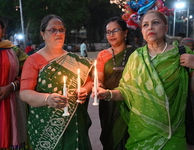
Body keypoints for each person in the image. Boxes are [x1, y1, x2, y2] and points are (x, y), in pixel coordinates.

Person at [94, 10, 194, 149]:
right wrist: (108, 94)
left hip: (173, 132)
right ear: (142, 31)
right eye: (145, 25)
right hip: (141, 131)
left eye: (156, 23)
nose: (150, 27)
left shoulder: (181, 54)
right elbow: (126, 91)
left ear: (166, 28)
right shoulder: (136, 57)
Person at [20, 14, 93, 150]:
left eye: (61, 30)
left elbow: (89, 83)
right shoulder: (34, 60)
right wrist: (47, 99)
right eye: (53, 30)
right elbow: (24, 93)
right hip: (45, 128)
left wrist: (85, 90)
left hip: (74, 124)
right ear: (43, 34)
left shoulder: (75, 60)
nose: (58, 33)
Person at [96, 16, 134, 150]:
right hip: (108, 103)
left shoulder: (136, 53)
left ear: (125, 32)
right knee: (111, 139)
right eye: (108, 32)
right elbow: (99, 80)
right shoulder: (102, 55)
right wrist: (98, 87)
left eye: (115, 30)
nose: (111, 35)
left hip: (131, 102)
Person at [0, 14, 28, 149]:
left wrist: (12, 86)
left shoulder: (14, 51)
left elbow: (29, 74)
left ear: (3, 30)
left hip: (12, 105)